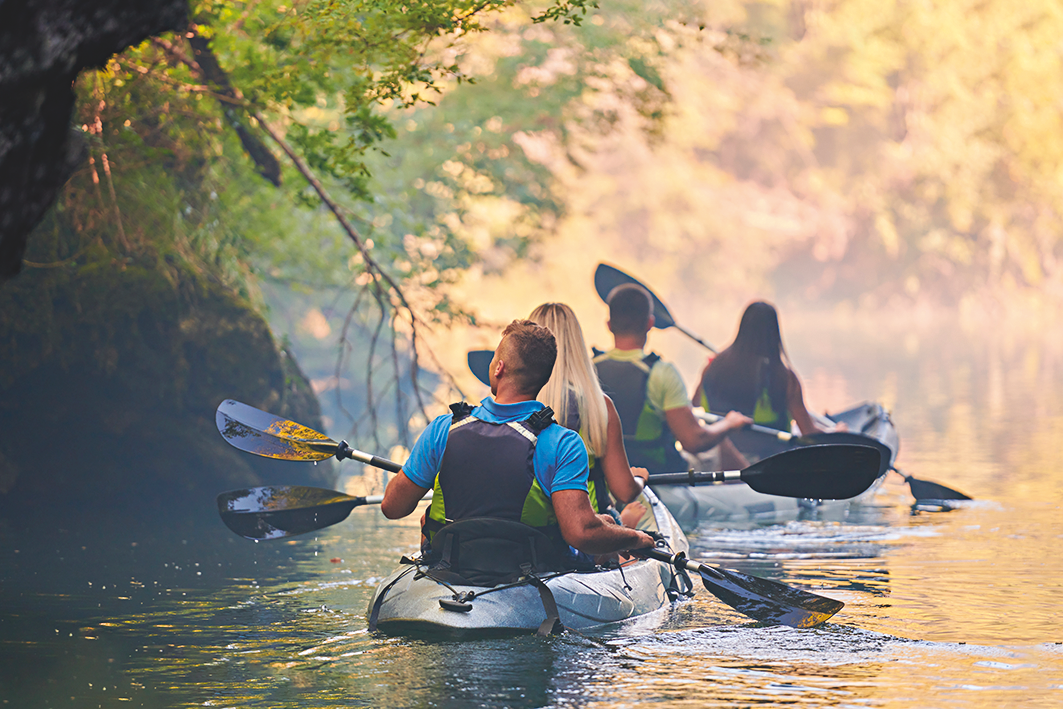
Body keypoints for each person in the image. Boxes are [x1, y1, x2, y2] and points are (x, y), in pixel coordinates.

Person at [380, 319, 655, 564]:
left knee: (426, 520)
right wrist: (634, 539)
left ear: (498, 368)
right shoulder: (563, 443)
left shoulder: (443, 429)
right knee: (603, 522)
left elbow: (392, 507)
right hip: (531, 568)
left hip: (451, 562)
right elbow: (581, 533)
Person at [592, 283, 751, 474]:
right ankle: (754, 495)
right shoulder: (661, 373)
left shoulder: (589, 368)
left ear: (609, 325)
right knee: (719, 443)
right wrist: (729, 424)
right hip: (659, 473)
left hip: (606, 472)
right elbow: (693, 441)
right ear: (650, 323)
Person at [528, 302, 648, 513]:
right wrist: (638, 479)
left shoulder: (515, 401)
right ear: (577, 345)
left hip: (531, 523)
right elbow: (624, 491)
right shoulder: (600, 406)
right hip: (587, 523)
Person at [697, 301, 846, 435]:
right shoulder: (784, 378)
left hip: (721, 456)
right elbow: (808, 432)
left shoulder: (712, 368)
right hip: (768, 459)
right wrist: (835, 432)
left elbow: (693, 404)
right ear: (774, 334)